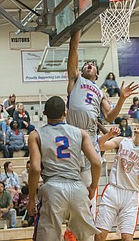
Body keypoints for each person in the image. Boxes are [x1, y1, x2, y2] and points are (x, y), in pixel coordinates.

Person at [66, 31, 139, 188]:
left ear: (97, 75)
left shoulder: (100, 92)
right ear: (81, 69)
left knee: (87, 184)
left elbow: (110, 117)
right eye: (86, 64)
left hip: (90, 136)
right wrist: (77, 29)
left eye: (92, 65)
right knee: (69, 181)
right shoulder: (75, 79)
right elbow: (73, 49)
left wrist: (121, 99)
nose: (89, 65)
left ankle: (90, 204)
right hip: (72, 132)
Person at [27, 96, 101, 241]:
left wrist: (31, 199)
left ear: (45, 113)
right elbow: (96, 162)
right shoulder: (81, 133)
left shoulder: (35, 135)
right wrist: (93, 186)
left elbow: (35, 169)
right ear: (65, 112)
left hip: (52, 190)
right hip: (78, 188)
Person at [95, 115, 139, 241]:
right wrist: (109, 135)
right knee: (99, 235)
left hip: (131, 196)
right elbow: (99, 146)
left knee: (127, 237)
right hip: (113, 190)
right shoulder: (122, 141)